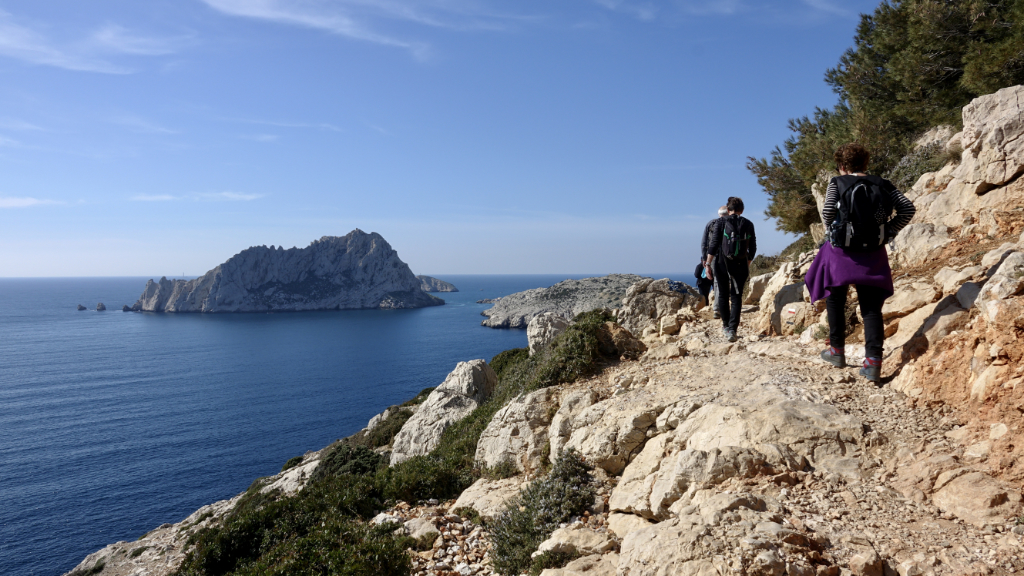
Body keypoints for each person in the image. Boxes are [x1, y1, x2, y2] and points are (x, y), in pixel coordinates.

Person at [805, 143, 915, 383]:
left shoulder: (837, 182)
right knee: (871, 308)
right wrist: (886, 232)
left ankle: (836, 352)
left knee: (835, 299)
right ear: (865, 163)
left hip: (841, 251)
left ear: (842, 166)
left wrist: (837, 232)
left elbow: (827, 215)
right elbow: (907, 209)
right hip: (873, 252)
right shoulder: (883, 184)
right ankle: (873, 363)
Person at [705, 197, 756, 342]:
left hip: (722, 262)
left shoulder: (720, 222)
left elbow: (713, 245)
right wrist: (747, 263)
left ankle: (726, 326)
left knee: (722, 294)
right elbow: (753, 247)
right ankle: (733, 328)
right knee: (736, 297)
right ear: (742, 210)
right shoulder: (748, 223)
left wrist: (708, 264)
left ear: (728, 210)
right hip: (740, 264)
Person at [699, 206, 728, 310]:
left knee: (717, 281)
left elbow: (704, 242)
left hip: (713, 256)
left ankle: (717, 308)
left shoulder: (711, 224)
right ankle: (724, 306)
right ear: (728, 212)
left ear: (719, 213)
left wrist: (704, 258)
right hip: (729, 255)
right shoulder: (731, 223)